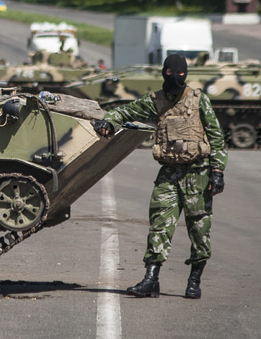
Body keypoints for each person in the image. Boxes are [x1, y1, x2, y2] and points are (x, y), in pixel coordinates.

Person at [92, 54, 227, 299]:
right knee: (160, 224)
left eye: (179, 76)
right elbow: (125, 111)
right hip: (168, 173)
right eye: (169, 74)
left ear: (185, 75)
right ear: (163, 73)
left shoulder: (199, 100)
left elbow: (216, 136)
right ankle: (151, 279)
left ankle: (194, 281)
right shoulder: (156, 100)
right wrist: (109, 122)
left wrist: (217, 171)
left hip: (198, 173)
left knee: (199, 229)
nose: (174, 80)